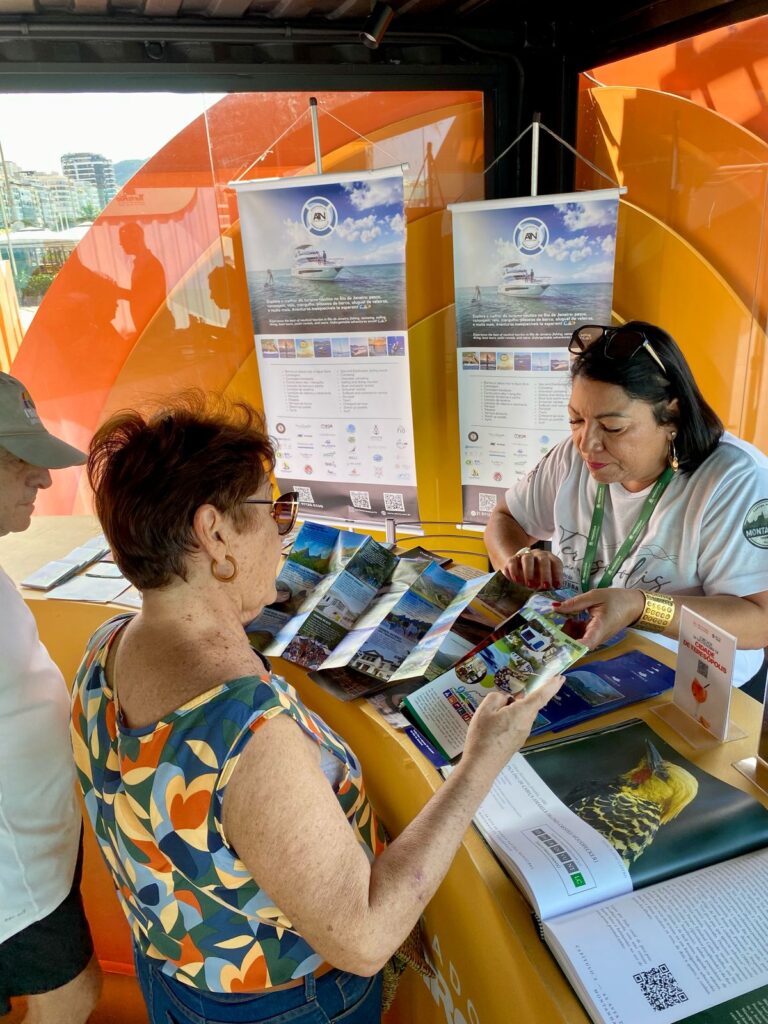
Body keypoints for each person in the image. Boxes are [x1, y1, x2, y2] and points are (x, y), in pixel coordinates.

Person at [70, 393, 561, 1024]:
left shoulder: (105, 649)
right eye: (271, 511)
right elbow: (365, 938)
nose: (285, 533)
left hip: (175, 977)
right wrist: (480, 763)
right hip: (282, 1007)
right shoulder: (250, 733)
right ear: (213, 533)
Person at [484, 321, 768, 686]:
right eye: (576, 420)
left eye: (612, 428)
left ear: (672, 416)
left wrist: (640, 607)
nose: (587, 444)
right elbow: (505, 518)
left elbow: (760, 621)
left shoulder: (736, 479)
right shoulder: (572, 457)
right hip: (581, 659)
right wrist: (517, 562)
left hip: (692, 685)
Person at [0, 372, 101, 1021]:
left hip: (38, 847)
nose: (42, 479)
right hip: (14, 876)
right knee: (72, 996)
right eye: (20, 460)